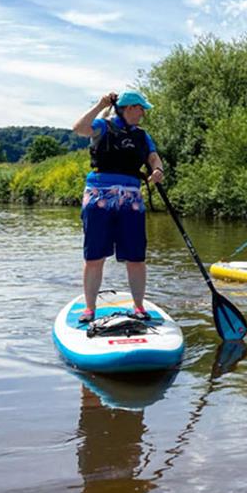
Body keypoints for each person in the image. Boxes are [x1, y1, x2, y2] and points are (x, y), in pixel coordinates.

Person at [71, 90, 165, 323]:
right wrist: (100, 104)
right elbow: (79, 128)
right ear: (130, 108)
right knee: (94, 257)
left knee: (136, 257)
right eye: (141, 108)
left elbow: (153, 157)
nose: (144, 113)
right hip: (99, 197)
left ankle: (139, 306)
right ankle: (90, 308)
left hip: (131, 201)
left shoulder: (142, 135)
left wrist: (158, 170)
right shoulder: (104, 125)